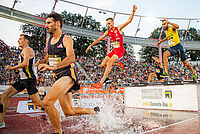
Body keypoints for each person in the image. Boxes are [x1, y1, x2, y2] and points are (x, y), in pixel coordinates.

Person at [36, 13, 99, 134]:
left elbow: (71, 58)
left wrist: (52, 66)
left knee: (47, 102)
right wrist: (42, 61)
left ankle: (58, 132)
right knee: (69, 111)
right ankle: (94, 111)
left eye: (49, 23)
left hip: (67, 75)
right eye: (46, 23)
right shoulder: (49, 40)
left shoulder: (66, 39)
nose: (46, 26)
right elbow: (49, 55)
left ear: (57, 23)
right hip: (58, 77)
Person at [86, 5, 137, 88]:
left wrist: (133, 12)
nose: (108, 25)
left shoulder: (119, 28)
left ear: (113, 22)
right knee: (102, 64)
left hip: (120, 50)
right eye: (107, 24)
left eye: (109, 23)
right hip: (114, 50)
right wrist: (90, 46)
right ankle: (118, 64)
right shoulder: (108, 32)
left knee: (110, 62)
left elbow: (129, 21)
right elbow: (99, 39)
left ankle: (101, 83)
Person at [0, 34, 43, 128]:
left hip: (29, 80)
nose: (18, 41)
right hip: (23, 80)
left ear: (26, 41)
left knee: (38, 103)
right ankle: (1, 122)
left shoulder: (27, 49)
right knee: (4, 96)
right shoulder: (24, 51)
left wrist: (12, 67)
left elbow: (25, 63)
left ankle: (54, 108)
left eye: (20, 39)